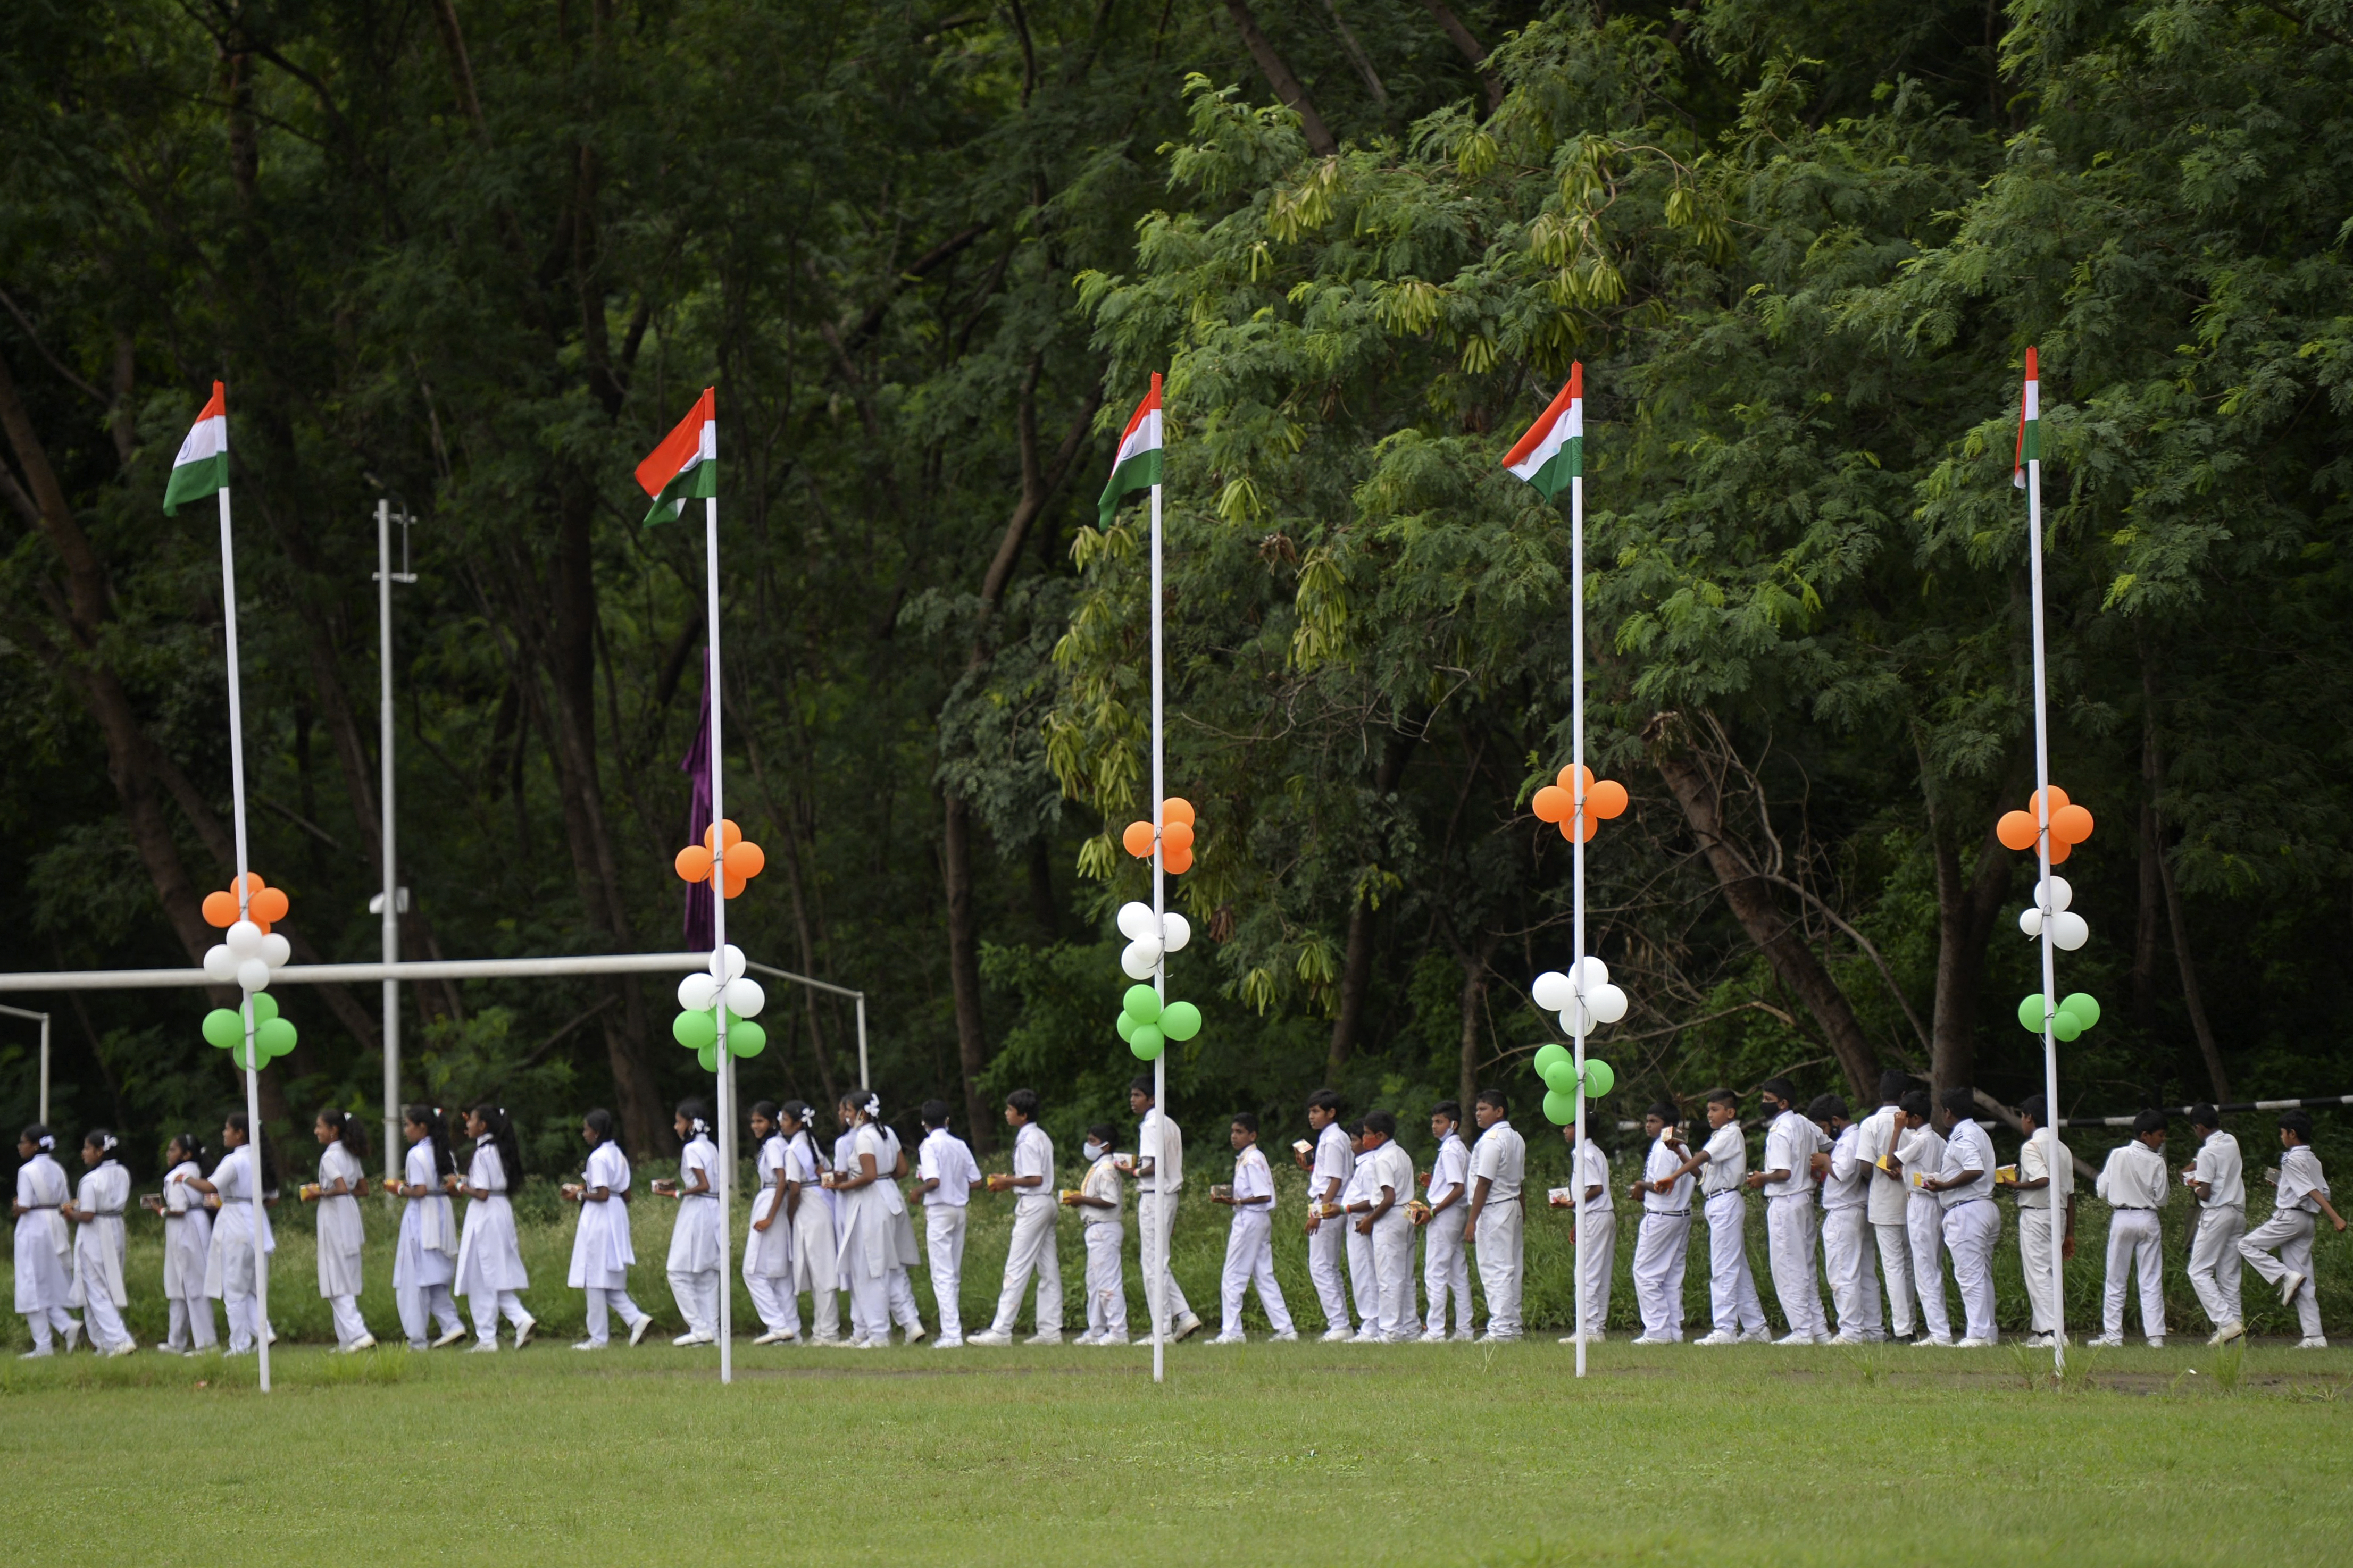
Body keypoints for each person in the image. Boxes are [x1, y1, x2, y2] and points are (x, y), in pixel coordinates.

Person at [2238, 1111, 2345, 1349]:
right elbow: (2320, 1189)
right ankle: (2314, 1336)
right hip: (2307, 1222)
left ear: (2292, 1134)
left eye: (2282, 1133)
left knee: (2246, 1245)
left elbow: (2310, 1191)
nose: (2281, 1137)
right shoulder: (2313, 1160)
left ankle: (2285, 1276)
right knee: (2305, 1276)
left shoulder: (2291, 1159)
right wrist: (2282, 1182)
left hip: (2290, 1218)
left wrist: (2335, 1217)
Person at [1675, 1088, 1767, 1346]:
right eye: (1708, 1110)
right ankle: (1757, 1327)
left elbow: (1703, 1158)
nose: (1710, 1115)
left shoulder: (1731, 1134)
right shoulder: (1718, 1137)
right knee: (1737, 1266)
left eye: (1715, 1110)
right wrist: (1680, 1153)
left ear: (1730, 1112)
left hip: (1726, 1200)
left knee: (1723, 1267)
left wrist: (1672, 1176)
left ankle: (1726, 1328)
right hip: (1716, 1200)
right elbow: (1701, 1174)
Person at [972, 1089, 1061, 1347]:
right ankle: (1050, 1330)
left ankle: (1002, 1330)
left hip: (1034, 1204)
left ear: (1022, 1115)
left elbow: (1034, 1179)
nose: (1006, 1113)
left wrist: (1007, 1180)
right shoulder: (1040, 1136)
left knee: (1017, 1266)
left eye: (1010, 1110)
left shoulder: (1028, 1140)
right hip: (1045, 1202)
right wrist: (1010, 1182)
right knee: (1048, 1269)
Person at [190, 1111, 278, 1355]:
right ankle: (264, 1332)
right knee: (250, 1286)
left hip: (237, 1224)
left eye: (227, 1129)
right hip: (257, 1222)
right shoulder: (260, 1159)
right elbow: (274, 1198)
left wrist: (185, 1179)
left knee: (234, 1290)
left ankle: (239, 1345)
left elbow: (210, 1186)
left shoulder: (234, 1160)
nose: (224, 1133)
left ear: (239, 1134)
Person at [563, 1108, 651, 1350]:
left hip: (600, 1218)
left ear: (597, 1132)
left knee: (593, 1276)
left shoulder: (598, 1158)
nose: (584, 1134)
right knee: (606, 1279)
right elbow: (626, 1194)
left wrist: (578, 1193)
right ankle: (636, 1319)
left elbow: (601, 1194)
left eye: (586, 1129)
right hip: (617, 1212)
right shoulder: (619, 1155)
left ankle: (598, 1338)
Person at [1747, 1078, 1826, 1344]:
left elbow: (1783, 1173)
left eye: (1768, 1100)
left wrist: (1761, 1179)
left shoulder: (1780, 1130)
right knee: (1806, 1265)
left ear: (1783, 1103)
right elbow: (1827, 1144)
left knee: (1788, 1267)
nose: (1764, 1105)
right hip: (1805, 1198)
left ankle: (1802, 1330)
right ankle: (1819, 1329)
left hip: (1786, 1201)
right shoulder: (1805, 1124)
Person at [453, 1103, 536, 1352]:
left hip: (486, 1214)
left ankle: (488, 1337)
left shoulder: (482, 1153)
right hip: (501, 1209)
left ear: (483, 1126)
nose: (467, 1125)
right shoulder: (501, 1150)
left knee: (481, 1274)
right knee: (494, 1271)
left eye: (472, 1121)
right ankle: (519, 1319)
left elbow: (481, 1192)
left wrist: (458, 1187)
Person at [1125, 1077, 1203, 1342]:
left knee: (1153, 1264)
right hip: (1169, 1195)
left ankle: (1163, 1329)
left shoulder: (1151, 1124)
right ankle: (1184, 1315)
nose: (1133, 1100)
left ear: (1152, 1099)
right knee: (1159, 1260)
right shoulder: (1171, 1123)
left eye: (1138, 1095)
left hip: (1155, 1194)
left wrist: (1131, 1170)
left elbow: (1154, 1166)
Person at [827, 1090, 906, 1349]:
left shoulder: (863, 1137)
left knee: (869, 1268)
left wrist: (843, 1187)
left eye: (849, 1111)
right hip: (888, 1196)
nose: (847, 1116)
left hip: (869, 1202)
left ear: (861, 1113)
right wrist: (884, 1179)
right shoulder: (888, 1133)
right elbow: (902, 1170)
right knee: (879, 1267)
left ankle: (878, 1334)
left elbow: (869, 1174)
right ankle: (875, 1330)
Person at [1920, 1089, 1999, 1347]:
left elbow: (1974, 1169)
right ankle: (1988, 1331)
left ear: (1948, 1112)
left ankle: (1978, 1333)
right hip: (1983, 1205)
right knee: (1982, 1273)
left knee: (1970, 1275)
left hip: (1967, 1210)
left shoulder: (1963, 1136)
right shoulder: (1979, 1133)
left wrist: (1945, 1186)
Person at [1208, 1113, 1296, 1343]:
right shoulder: (1251, 1157)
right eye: (1233, 1132)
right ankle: (1286, 1329)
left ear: (1252, 1135)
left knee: (1233, 1275)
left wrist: (1236, 1202)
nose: (1234, 1136)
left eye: (1240, 1132)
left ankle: (1232, 1331)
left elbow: (1263, 1195)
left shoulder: (1251, 1160)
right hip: (1258, 1219)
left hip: (1250, 1218)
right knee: (1264, 1275)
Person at [2089, 1109, 2170, 1348]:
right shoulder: (2158, 1162)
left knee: (2115, 1278)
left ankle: (2113, 1335)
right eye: (2160, 1135)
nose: (2163, 1139)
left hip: (2122, 1217)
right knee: (2151, 1278)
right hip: (2148, 1218)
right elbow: (2162, 1199)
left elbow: (2102, 1190)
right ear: (2146, 1135)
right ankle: (2155, 1336)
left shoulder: (2117, 1155)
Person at [387, 1104, 463, 1351]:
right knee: (435, 1274)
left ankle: (419, 1337)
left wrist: (398, 1188)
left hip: (422, 1216)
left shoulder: (416, 1155)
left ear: (422, 1127)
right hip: (441, 1212)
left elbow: (418, 1191)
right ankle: (450, 1324)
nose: (406, 1130)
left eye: (408, 1125)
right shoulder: (445, 1152)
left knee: (416, 1274)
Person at [911, 1099, 983, 1348]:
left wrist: (917, 1191)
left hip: (940, 1211)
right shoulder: (960, 1144)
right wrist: (958, 1184)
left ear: (924, 1123)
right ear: (947, 1120)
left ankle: (952, 1334)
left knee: (942, 1274)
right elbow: (977, 1181)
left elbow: (933, 1180)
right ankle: (953, 1330)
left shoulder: (929, 1145)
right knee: (953, 1272)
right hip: (959, 1210)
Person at [1815, 1094, 1884, 1345]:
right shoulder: (1856, 1137)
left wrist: (1825, 1161)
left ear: (1835, 1121)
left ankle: (1852, 1331)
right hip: (1857, 1209)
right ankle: (1873, 1329)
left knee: (1843, 1274)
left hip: (1844, 1211)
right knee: (1865, 1273)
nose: (1824, 1134)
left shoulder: (1848, 1141)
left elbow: (1842, 1173)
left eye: (1824, 1127)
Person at [655, 1099, 723, 1346]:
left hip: (697, 1210)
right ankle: (712, 1333)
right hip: (713, 1208)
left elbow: (702, 1184)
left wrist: (676, 1193)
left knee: (677, 1271)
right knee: (706, 1274)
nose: (676, 1127)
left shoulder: (692, 1149)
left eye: (679, 1122)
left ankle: (698, 1326)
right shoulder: (712, 1147)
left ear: (692, 1124)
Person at [1855, 1072, 1917, 1341]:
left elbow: (1865, 1167)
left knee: (1893, 1267)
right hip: (1913, 1200)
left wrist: (1882, 1167)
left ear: (1881, 1094)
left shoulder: (1870, 1124)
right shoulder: (1914, 1123)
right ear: (1905, 1095)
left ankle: (1902, 1328)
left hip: (1883, 1202)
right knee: (1911, 1265)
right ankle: (1913, 1323)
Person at [307, 1109, 376, 1353]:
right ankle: (346, 1340)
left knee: (335, 1276)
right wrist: (340, 1190)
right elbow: (362, 1189)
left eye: (320, 1127)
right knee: (345, 1273)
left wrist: (319, 1193)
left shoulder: (330, 1157)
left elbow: (339, 1187)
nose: (317, 1131)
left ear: (333, 1130)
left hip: (334, 1215)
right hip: (349, 1213)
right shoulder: (350, 1154)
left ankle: (359, 1333)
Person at [1626, 1102, 1693, 1345]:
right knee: (1671, 1276)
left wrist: (1639, 1185)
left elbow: (1663, 1186)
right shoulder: (1678, 1146)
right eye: (1647, 1120)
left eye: (1654, 1121)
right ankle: (1673, 1330)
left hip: (1663, 1215)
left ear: (1667, 1125)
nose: (1648, 1125)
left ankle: (1657, 1330)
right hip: (1680, 1214)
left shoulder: (1666, 1147)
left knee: (1645, 1273)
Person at [62, 1130, 133, 1356]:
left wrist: (69, 1213)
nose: (84, 1153)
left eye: (87, 1149)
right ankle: (104, 1343)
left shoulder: (90, 1180)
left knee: (96, 1288)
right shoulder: (122, 1172)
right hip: (116, 1227)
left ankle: (120, 1339)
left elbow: (88, 1214)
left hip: (96, 1232)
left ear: (99, 1151)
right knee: (103, 1285)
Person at [2013, 1095, 2075, 1349]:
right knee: (2050, 1271)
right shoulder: (2062, 1147)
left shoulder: (2032, 1146)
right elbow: (2070, 1193)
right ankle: (2043, 1330)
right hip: (2058, 1212)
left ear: (2029, 1118)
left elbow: (2042, 1179)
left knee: (2038, 1272)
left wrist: (2014, 1184)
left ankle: (2052, 1332)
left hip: (2037, 1213)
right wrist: (2070, 1232)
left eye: (2022, 1117)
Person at [1891, 1091, 1952, 1346]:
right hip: (1933, 1202)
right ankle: (1939, 1329)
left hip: (1921, 1203)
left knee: (1925, 1269)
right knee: (1931, 1265)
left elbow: (1890, 1158)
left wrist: (1896, 1130)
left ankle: (1939, 1332)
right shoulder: (1938, 1139)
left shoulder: (1920, 1140)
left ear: (1913, 1118)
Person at [1465, 1089, 1526, 1342]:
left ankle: (1502, 1328)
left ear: (1499, 1111)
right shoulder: (1517, 1139)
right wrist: (1523, 1210)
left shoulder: (1492, 1140)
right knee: (1512, 1266)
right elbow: (1521, 1181)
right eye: (1477, 1109)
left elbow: (1484, 1183)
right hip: (1511, 1205)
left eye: (1483, 1109)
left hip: (1494, 1207)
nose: (1478, 1114)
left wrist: (1472, 1220)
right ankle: (1512, 1325)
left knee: (1495, 1268)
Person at [2181, 1104, 2245, 1345]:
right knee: (2229, 1275)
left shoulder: (2207, 1153)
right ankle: (2236, 1335)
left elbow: (2205, 1193)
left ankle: (2226, 1323)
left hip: (2217, 1213)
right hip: (2237, 1211)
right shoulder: (2231, 1141)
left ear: (2199, 1128)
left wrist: (2192, 1185)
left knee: (2198, 1271)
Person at [779, 1101, 839, 1345]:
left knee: (820, 1271)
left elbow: (794, 1189)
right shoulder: (813, 1143)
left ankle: (828, 1332)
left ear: (797, 1123)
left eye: (784, 1119)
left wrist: (790, 1215)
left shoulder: (794, 1149)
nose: (781, 1124)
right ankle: (822, 1329)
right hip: (824, 1204)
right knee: (821, 1270)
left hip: (808, 1207)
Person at [12, 1125, 76, 1357]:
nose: (20, 1147)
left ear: (35, 1145)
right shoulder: (58, 1168)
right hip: (56, 1223)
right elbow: (67, 1201)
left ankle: (44, 1345)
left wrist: (16, 1207)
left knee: (31, 1283)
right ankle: (65, 1325)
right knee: (47, 1281)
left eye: (23, 1142)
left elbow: (26, 1205)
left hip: (34, 1226)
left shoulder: (27, 1171)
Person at [1551, 1117, 1615, 1345]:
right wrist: (1577, 1219)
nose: (1565, 1130)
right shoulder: (1594, 1152)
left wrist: (1572, 1204)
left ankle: (1588, 1328)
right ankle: (1596, 1327)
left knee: (1586, 1273)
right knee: (1599, 1272)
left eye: (1569, 1126)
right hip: (1598, 1215)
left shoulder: (1584, 1154)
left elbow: (1596, 1188)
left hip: (1595, 1214)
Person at [1298, 1088, 1355, 1340]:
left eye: (1316, 1111)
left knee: (1322, 1266)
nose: (1312, 1116)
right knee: (1327, 1265)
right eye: (1311, 1111)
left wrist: (1319, 1212)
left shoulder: (1333, 1139)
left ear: (1331, 1113)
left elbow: (1335, 1179)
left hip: (1330, 1203)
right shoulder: (1332, 1138)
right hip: (1330, 1201)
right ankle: (1339, 1322)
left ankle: (1340, 1323)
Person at [1356, 1111, 1419, 1342]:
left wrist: (1369, 1220)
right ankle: (1410, 1327)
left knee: (1388, 1277)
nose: (1364, 1139)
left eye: (1367, 1134)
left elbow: (1388, 1197)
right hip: (1406, 1214)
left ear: (1380, 1136)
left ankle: (1391, 1330)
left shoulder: (1382, 1159)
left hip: (1389, 1217)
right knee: (1405, 1275)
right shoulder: (1401, 1154)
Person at [1065, 1122, 1128, 1346]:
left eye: (1093, 1141)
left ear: (1105, 1146)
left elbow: (1110, 1200)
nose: (1088, 1145)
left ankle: (1118, 1331)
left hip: (1105, 1228)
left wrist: (1081, 1200)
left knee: (1108, 1281)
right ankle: (1097, 1328)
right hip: (1094, 1228)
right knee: (1094, 1283)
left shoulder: (1106, 1169)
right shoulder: (1098, 1167)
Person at [1417, 1102, 1473, 1343]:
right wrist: (1434, 1183)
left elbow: (1458, 1188)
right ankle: (1465, 1329)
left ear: (1453, 1124)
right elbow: (1456, 1184)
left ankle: (1436, 1330)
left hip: (1446, 1214)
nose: (1434, 1126)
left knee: (1436, 1272)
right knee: (1458, 1272)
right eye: (1433, 1122)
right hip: (1458, 1213)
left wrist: (1434, 1211)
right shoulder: (1460, 1149)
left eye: (1439, 1122)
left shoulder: (1450, 1150)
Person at [157, 1132, 216, 1353]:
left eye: (173, 1149)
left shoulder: (176, 1177)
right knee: (182, 1283)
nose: (168, 1154)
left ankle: (207, 1343)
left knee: (193, 1285)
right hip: (198, 1224)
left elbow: (178, 1210)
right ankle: (176, 1340)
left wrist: (160, 1210)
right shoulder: (198, 1172)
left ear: (186, 1154)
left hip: (186, 1229)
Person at [744, 1102, 797, 1345]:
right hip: (772, 1200)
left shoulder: (774, 1144)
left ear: (772, 1122)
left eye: (760, 1121)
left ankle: (777, 1324)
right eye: (753, 1122)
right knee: (778, 1273)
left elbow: (782, 1179)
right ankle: (792, 1331)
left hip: (771, 1201)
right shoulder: (773, 1144)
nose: (756, 1126)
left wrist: (770, 1216)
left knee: (752, 1270)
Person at [1337, 1120, 1380, 1339]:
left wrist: (1344, 1208)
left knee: (1366, 1271)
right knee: (1359, 1271)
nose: (1353, 1144)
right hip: (1354, 1220)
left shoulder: (1370, 1164)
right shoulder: (1362, 1164)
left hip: (1362, 1221)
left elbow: (1374, 1199)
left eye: (1355, 1139)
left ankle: (1373, 1323)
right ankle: (1370, 1322)